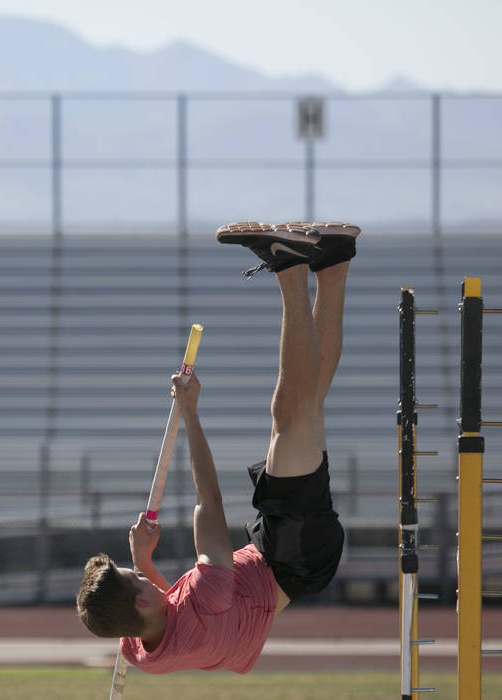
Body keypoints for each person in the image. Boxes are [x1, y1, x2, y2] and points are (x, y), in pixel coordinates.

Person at [76, 220, 360, 674]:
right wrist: (190, 410)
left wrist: (143, 565)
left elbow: (165, 613)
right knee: (289, 413)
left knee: (309, 404)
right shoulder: (205, 596)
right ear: (143, 598)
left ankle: (334, 262)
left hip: (280, 559)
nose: (143, 577)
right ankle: (290, 264)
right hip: (294, 555)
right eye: (137, 579)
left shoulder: (143, 650)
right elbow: (209, 501)